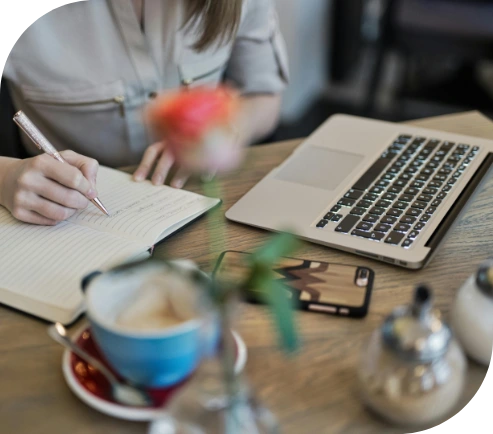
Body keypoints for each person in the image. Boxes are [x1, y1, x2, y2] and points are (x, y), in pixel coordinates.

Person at [0, 0, 289, 225]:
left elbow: (263, 95)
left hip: (206, 199)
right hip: (64, 214)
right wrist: (5, 178)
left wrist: (230, 132)